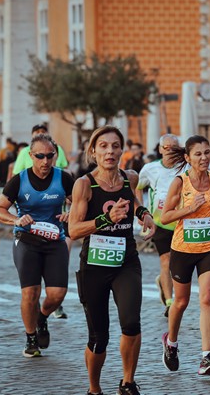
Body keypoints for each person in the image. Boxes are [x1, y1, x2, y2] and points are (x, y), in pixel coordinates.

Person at [68, 125, 155, 395]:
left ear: (122, 149)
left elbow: (135, 201)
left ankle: (128, 383)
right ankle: (94, 389)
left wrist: (145, 215)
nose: (110, 151)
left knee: (131, 322)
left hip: (125, 261)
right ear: (93, 151)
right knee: (99, 337)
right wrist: (107, 218)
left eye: (115, 146)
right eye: (103, 146)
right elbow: (73, 229)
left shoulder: (130, 177)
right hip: (94, 264)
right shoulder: (85, 184)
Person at [0, 133, 74, 358]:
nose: (45, 161)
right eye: (40, 156)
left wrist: (72, 215)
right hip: (27, 241)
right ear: (31, 156)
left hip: (55, 241)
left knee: (57, 294)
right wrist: (16, 219)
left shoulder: (64, 178)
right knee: (30, 293)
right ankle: (31, 338)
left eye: (50, 156)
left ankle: (42, 317)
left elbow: (81, 204)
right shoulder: (19, 180)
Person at [159, 134, 210, 376]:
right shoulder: (180, 183)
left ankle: (206, 356)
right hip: (183, 250)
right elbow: (165, 216)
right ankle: (171, 342)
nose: (204, 158)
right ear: (187, 157)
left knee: (208, 298)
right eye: (198, 154)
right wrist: (189, 209)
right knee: (181, 302)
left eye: (207, 152)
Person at [136, 134, 185, 318]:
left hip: (181, 222)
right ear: (160, 149)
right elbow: (138, 187)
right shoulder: (150, 168)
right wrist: (141, 210)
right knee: (166, 261)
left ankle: (167, 288)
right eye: (167, 148)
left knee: (177, 264)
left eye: (174, 147)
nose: (170, 151)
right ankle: (170, 303)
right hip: (161, 222)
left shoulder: (186, 167)